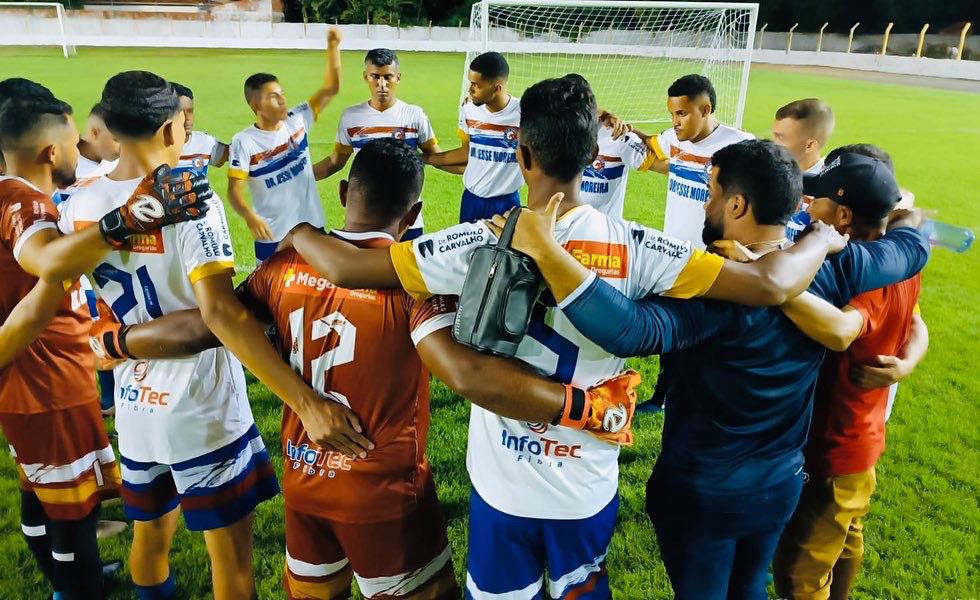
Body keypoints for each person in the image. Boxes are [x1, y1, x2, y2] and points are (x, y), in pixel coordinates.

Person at [279, 75, 859, 599]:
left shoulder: (477, 240)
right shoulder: (644, 248)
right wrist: (818, 238)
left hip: (503, 488)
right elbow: (767, 283)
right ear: (592, 156)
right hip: (585, 482)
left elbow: (349, 267)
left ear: (521, 152)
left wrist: (299, 228)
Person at [88, 137, 640, 599]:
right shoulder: (413, 282)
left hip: (305, 485)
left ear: (345, 192)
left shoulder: (284, 264)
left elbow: (208, 325)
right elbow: (461, 372)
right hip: (384, 499)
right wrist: (583, 407)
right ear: (416, 215)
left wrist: (117, 341)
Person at [491, 141, 930, 600]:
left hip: (703, 496)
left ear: (737, 205)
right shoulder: (835, 266)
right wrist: (902, 219)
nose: (705, 202)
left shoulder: (710, 291)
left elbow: (630, 330)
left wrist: (546, 252)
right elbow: (909, 250)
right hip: (780, 485)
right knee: (749, 591)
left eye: (711, 193)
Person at [57, 71, 345, 600]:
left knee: (150, 540)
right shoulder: (191, 200)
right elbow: (222, 316)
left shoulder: (79, 205)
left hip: (135, 403)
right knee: (231, 563)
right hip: (202, 408)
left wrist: (106, 344)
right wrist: (304, 401)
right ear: (172, 129)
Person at [0, 87, 210, 600]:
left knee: (40, 487)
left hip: (36, 377)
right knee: (73, 506)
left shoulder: (18, 195)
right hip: (43, 379)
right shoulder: (24, 201)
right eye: (75, 143)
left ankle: (69, 581)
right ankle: (77, 589)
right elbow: (49, 264)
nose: (82, 151)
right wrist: (128, 219)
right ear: (51, 152)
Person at [773, 150, 930, 600]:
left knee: (799, 573)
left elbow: (842, 331)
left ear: (842, 215)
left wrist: (770, 282)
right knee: (846, 533)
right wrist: (906, 364)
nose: (808, 205)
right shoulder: (896, 259)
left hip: (837, 444)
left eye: (816, 200)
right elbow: (916, 323)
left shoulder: (868, 273)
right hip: (861, 436)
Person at [312, 48, 456, 241]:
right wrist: (298, 178)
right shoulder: (351, 117)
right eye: (375, 77)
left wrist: (474, 163)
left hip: (406, 220)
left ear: (398, 78)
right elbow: (334, 162)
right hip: (364, 221)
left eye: (388, 77)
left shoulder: (414, 115)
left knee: (403, 271)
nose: (382, 84)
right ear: (366, 77)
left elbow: (436, 157)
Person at [228, 28, 341, 263]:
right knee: (269, 295)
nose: (282, 100)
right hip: (273, 236)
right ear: (254, 104)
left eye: (282, 93)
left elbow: (330, 89)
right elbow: (234, 190)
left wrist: (333, 47)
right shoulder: (244, 141)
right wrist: (249, 216)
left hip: (312, 228)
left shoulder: (297, 119)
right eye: (273, 96)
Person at [643, 74, 754, 247]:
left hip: (714, 256)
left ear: (705, 110)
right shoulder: (671, 138)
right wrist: (617, 124)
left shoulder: (740, 144)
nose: (675, 122)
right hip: (672, 250)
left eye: (681, 114)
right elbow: (646, 141)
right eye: (672, 114)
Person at [423, 52, 524, 223]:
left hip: (506, 203)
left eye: (476, 85)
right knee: (468, 251)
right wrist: (424, 159)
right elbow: (466, 153)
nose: (470, 90)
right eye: (471, 83)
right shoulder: (469, 110)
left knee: (506, 250)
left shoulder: (524, 113)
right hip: (471, 200)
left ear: (497, 88)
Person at [170, 81, 228, 178]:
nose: (187, 118)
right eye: (180, 112)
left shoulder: (204, 142)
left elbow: (238, 153)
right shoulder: (151, 147)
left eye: (190, 111)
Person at [772, 98, 835, 176]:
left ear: (809, 145)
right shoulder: (770, 171)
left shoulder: (829, 182)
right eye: (775, 136)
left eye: (781, 138)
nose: (773, 144)